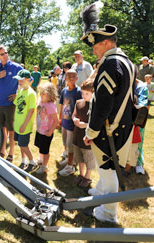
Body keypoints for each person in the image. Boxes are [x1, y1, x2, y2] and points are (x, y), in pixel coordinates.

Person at [81, 2, 135, 223]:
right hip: (122, 125)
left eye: (95, 45)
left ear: (105, 42)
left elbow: (103, 104)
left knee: (108, 170)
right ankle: (101, 194)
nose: (93, 50)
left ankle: (108, 213)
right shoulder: (125, 62)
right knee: (109, 168)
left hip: (109, 128)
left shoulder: (110, 65)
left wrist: (91, 131)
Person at [0, 44, 23, 162]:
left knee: (11, 130)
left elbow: (29, 80)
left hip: (10, 104)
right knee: (1, 130)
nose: (5, 55)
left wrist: (18, 94)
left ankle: (11, 153)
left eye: (6, 53)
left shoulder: (16, 67)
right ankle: (2, 150)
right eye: (2, 54)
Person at [58, 69, 82, 176]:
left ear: (77, 78)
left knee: (70, 144)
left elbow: (81, 108)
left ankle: (70, 167)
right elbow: (62, 105)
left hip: (73, 124)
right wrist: (60, 119)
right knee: (65, 143)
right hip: (65, 121)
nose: (71, 78)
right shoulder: (64, 91)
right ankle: (69, 159)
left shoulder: (78, 92)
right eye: (69, 76)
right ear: (65, 78)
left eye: (73, 76)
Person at [72, 79, 95, 188]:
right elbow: (74, 115)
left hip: (88, 137)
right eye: (83, 93)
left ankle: (87, 177)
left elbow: (96, 122)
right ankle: (81, 174)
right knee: (79, 157)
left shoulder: (95, 106)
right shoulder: (79, 102)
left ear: (93, 93)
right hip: (77, 135)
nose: (84, 95)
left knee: (88, 158)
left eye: (87, 94)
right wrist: (75, 120)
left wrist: (85, 125)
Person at [12, 70, 36, 172]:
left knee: (23, 145)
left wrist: (24, 125)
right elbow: (16, 104)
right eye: (18, 80)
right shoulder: (21, 91)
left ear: (27, 80)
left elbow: (31, 111)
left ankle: (32, 161)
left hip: (24, 125)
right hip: (17, 123)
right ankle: (23, 160)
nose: (19, 82)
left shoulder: (31, 94)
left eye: (21, 80)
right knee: (20, 143)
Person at [34, 82, 58, 174]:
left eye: (43, 93)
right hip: (39, 130)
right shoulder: (41, 100)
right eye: (40, 92)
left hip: (47, 132)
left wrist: (50, 132)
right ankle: (40, 160)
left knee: (45, 150)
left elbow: (56, 120)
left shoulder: (51, 105)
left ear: (49, 94)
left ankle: (44, 166)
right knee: (40, 146)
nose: (41, 94)